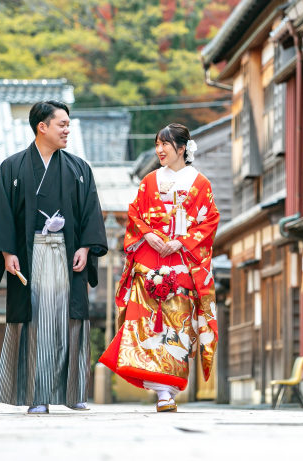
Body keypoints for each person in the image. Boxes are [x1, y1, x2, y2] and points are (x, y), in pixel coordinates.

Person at [0, 99, 108, 414]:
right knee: (35, 321)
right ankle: (36, 395)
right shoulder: (13, 167)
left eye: (68, 124)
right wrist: (8, 251)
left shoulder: (79, 169)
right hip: (30, 254)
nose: (68, 129)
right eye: (62, 124)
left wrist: (85, 247)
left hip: (69, 255)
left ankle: (74, 392)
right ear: (42, 127)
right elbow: (1, 212)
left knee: (71, 321)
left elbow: (91, 212)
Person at [99, 124, 220, 412]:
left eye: (165, 145)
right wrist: (148, 234)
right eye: (157, 145)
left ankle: (169, 388)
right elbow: (135, 214)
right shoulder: (149, 181)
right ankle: (160, 392)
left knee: (178, 325)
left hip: (182, 263)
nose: (159, 150)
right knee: (145, 323)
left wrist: (181, 242)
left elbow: (209, 220)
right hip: (150, 261)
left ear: (182, 148)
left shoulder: (200, 183)